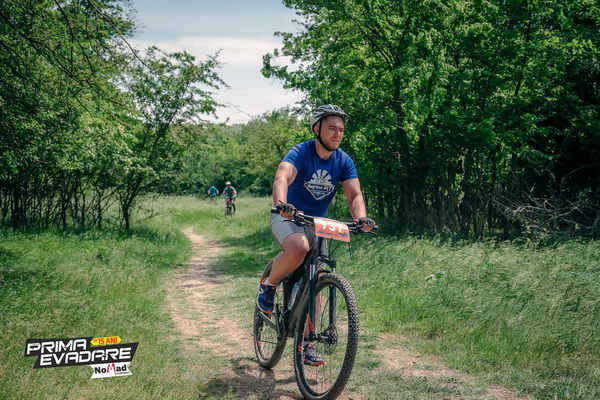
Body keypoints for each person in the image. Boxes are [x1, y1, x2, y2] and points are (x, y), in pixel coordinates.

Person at [256, 104, 375, 366]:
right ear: (317, 128)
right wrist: (282, 203)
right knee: (298, 247)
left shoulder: (343, 160)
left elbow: (354, 194)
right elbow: (282, 177)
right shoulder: (302, 151)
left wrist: (361, 218)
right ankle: (269, 285)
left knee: (317, 277)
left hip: (317, 223)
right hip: (288, 216)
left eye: (341, 129)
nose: (337, 133)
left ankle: (307, 343)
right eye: (332, 128)